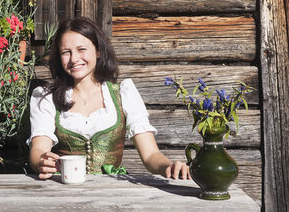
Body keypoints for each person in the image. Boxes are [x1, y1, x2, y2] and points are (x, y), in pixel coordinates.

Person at [27, 17, 190, 180]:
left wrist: (169, 166)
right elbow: (38, 149)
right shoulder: (47, 97)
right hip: (63, 190)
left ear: (98, 51)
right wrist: (41, 161)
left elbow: (150, 155)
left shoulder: (123, 94)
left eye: (81, 49)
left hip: (111, 192)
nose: (74, 59)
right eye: (66, 52)